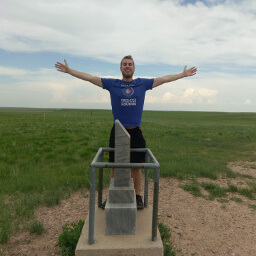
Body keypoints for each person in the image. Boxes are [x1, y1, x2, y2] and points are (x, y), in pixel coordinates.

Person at [55, 55, 197, 209]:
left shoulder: (142, 83)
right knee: (115, 165)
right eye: (124, 64)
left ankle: (137, 197)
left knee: (136, 166)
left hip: (136, 131)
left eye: (130, 64)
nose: (127, 66)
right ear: (121, 68)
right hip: (117, 130)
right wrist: (69, 71)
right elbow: (90, 78)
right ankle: (112, 196)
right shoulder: (112, 84)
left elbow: (163, 79)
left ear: (134, 68)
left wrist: (182, 75)